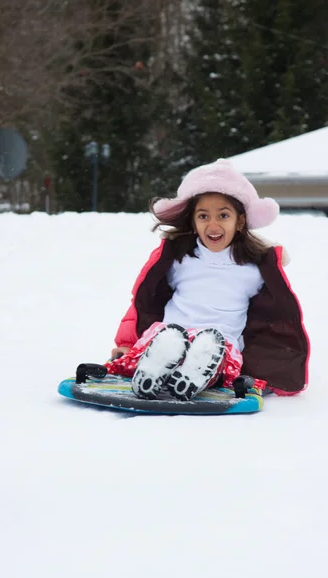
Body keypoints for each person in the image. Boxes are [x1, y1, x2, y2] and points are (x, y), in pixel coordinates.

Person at [105, 159, 310, 400]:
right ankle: (154, 368)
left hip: (219, 343)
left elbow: (271, 314)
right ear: (193, 221)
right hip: (170, 334)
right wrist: (127, 343)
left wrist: (270, 255)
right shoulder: (179, 260)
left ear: (240, 221)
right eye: (203, 216)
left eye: (223, 215)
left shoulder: (253, 268)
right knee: (167, 340)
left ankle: (193, 374)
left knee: (212, 351)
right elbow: (144, 301)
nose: (213, 225)